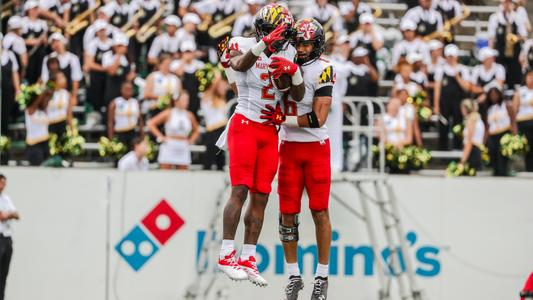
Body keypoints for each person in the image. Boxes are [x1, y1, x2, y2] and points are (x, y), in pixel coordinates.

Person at [216, 3, 304, 287]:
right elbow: (239, 65)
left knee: (262, 196)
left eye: (281, 35)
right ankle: (226, 253)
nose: (279, 39)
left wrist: (295, 73)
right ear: (262, 31)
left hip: (269, 129)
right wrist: (264, 45)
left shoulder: (288, 51)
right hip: (245, 122)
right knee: (239, 189)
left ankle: (248, 257)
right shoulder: (241, 43)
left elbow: (297, 94)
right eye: (274, 34)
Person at [259, 18, 334, 299]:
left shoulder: (324, 69)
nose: (302, 49)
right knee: (287, 214)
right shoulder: (283, 59)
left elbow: (318, 118)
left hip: (315, 148)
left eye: (307, 43)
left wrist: (284, 118)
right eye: (299, 43)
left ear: (317, 44)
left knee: (319, 211)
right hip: (288, 148)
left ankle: (322, 277)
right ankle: (293, 275)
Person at [147, 93, 200, 170]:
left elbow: (197, 130)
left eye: (187, 100)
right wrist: (160, 136)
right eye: (184, 100)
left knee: (183, 174)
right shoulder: (169, 113)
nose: (186, 102)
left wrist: (191, 140)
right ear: (176, 101)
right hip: (169, 144)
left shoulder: (189, 115)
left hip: (183, 145)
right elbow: (151, 123)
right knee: (166, 173)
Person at [433, 44, 471, 150]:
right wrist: (436, 105)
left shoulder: (463, 69)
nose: (450, 58)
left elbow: (467, 88)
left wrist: (457, 77)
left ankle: (457, 149)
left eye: (452, 56)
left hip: (458, 103)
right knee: (443, 127)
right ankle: (442, 150)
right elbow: (437, 88)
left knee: (458, 125)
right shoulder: (441, 69)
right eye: (449, 56)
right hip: (444, 102)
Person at [487, 0, 528, 88]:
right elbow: (491, 37)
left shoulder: (517, 17)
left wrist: (515, 38)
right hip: (500, 51)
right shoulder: (495, 18)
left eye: (509, 2)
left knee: (514, 75)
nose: (507, 5)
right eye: (505, 2)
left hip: (514, 52)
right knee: (499, 74)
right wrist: (490, 53)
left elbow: (524, 35)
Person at [41, 33, 82, 106]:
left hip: (68, 92)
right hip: (51, 93)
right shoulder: (48, 59)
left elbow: (75, 79)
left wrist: (73, 97)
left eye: (58, 41)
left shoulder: (73, 58)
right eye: (53, 42)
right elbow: (45, 79)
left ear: (63, 42)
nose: (56, 44)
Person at [486, 85, 517, 176]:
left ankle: (503, 172)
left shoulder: (506, 105)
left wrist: (514, 134)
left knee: (502, 154)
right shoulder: (489, 108)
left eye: (495, 94)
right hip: (493, 135)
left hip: (504, 133)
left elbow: (513, 120)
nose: (493, 97)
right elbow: (488, 125)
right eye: (491, 95)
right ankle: (496, 172)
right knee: (493, 153)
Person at [84, 20, 113, 113]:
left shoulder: (112, 43)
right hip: (97, 76)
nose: (102, 32)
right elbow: (89, 63)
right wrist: (104, 69)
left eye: (103, 30)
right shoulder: (93, 44)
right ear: (96, 32)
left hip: (109, 76)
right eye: (100, 30)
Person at [200, 72, 228, 171]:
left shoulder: (221, 99)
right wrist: (217, 75)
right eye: (222, 85)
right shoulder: (207, 96)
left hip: (222, 130)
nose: (225, 88)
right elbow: (213, 86)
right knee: (209, 158)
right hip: (213, 131)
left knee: (221, 159)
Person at [170, 41, 204, 117]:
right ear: (182, 53)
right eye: (186, 52)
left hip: (195, 96)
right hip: (182, 97)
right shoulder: (176, 63)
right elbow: (179, 73)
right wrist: (184, 61)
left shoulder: (199, 65)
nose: (188, 54)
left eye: (190, 52)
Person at [0, 174, 20, 300]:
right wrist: (9, 215)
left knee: (3, 275)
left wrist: (9, 215)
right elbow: (2, 216)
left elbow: (17, 215)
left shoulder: (6, 199)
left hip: (7, 238)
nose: (3, 185)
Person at [107, 81, 143, 150]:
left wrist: (142, 136)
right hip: (120, 133)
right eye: (126, 89)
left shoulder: (136, 102)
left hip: (133, 132)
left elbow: (140, 121)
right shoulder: (115, 103)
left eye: (130, 89)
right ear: (121, 90)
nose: (128, 91)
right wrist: (111, 139)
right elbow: (110, 122)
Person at [25, 81, 54, 166]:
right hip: (33, 145)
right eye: (44, 98)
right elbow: (37, 101)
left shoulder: (45, 111)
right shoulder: (30, 110)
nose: (46, 100)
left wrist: (48, 92)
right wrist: (42, 92)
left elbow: (50, 95)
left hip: (45, 143)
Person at [102, 34, 136, 105]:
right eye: (119, 46)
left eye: (123, 46)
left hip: (125, 91)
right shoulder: (108, 55)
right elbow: (111, 72)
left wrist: (131, 77)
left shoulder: (129, 58)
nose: (121, 48)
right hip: (113, 88)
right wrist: (119, 55)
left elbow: (132, 72)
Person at [21, 0, 48, 84]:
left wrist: (43, 40)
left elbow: (46, 42)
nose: (36, 11)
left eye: (37, 8)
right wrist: (30, 42)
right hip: (28, 54)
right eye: (34, 8)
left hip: (39, 55)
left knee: (39, 75)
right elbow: (18, 40)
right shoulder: (23, 22)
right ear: (28, 10)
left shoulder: (43, 23)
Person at [512, 69, 533, 171]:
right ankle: (528, 168)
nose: (531, 78)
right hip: (524, 122)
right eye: (529, 76)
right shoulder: (520, 91)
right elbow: (514, 110)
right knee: (527, 146)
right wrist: (514, 125)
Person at [0, 41, 21, 137]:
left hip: (7, 91)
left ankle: (4, 140)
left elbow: (14, 74)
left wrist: (17, 90)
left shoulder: (10, 54)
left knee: (5, 115)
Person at [459, 99, 485, 171]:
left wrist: (462, 161)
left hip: (472, 152)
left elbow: (469, 141)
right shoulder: (477, 119)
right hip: (476, 150)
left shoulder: (471, 120)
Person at [47, 72, 73, 136]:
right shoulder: (48, 94)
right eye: (61, 78)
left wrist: (71, 128)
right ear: (55, 81)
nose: (65, 79)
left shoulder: (66, 94)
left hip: (62, 124)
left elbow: (69, 112)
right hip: (50, 124)